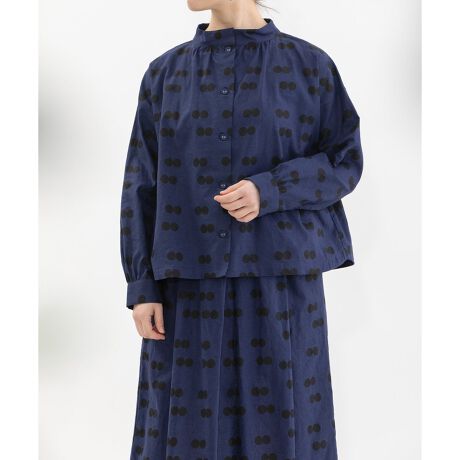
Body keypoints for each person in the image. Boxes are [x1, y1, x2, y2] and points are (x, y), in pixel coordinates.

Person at [119, 0, 364, 458]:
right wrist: (142, 285)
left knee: (284, 429)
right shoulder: (165, 74)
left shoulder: (309, 66)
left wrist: (271, 190)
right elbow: (141, 183)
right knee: (186, 433)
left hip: (281, 285)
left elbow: (344, 160)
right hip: (187, 288)